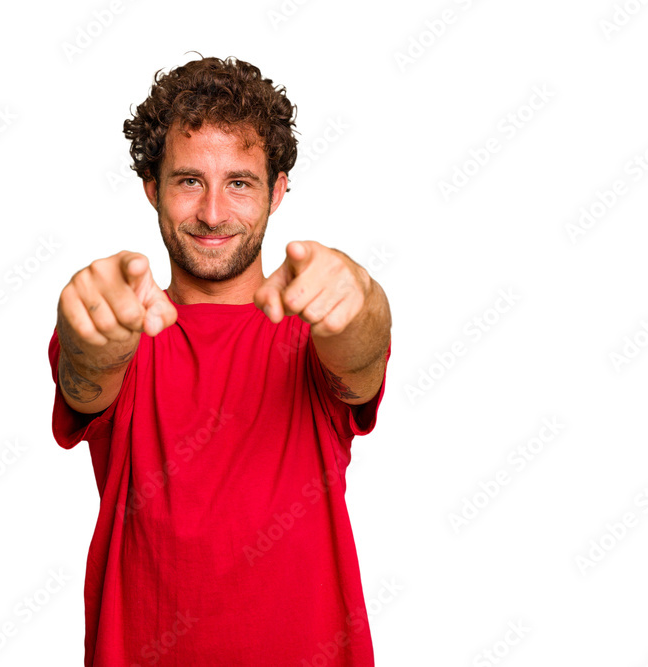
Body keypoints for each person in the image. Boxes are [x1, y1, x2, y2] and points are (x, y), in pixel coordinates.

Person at [49, 55, 392, 666]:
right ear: (151, 186)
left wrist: (360, 302)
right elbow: (86, 377)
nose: (212, 213)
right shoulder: (126, 320)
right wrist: (92, 335)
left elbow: (361, 354)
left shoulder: (311, 331)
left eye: (239, 182)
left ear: (278, 189)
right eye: (188, 181)